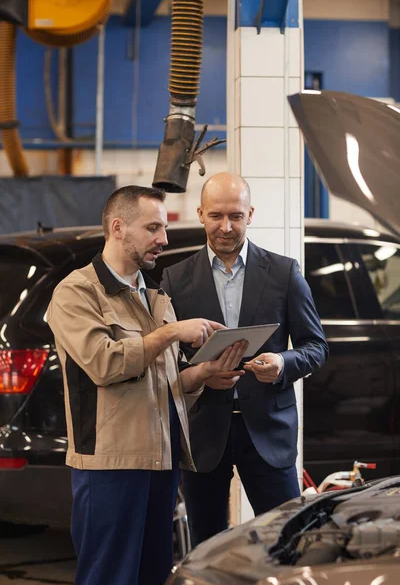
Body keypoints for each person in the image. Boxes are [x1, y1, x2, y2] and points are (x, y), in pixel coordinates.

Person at [47, 185, 247, 585]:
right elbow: (105, 363)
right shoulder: (76, 292)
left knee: (154, 575)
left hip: (161, 462)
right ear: (118, 228)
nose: (164, 239)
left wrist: (202, 375)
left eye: (165, 227)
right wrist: (170, 333)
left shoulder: (155, 297)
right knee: (110, 576)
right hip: (111, 465)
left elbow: (162, 383)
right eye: (153, 227)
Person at [161, 172, 329, 547]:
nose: (226, 226)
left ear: (250, 214)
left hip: (269, 431)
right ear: (201, 213)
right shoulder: (174, 280)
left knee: (288, 541)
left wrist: (283, 364)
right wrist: (201, 374)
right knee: (207, 545)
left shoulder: (284, 273)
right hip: (204, 433)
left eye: (235, 216)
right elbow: (165, 363)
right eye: (216, 215)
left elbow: (315, 346)